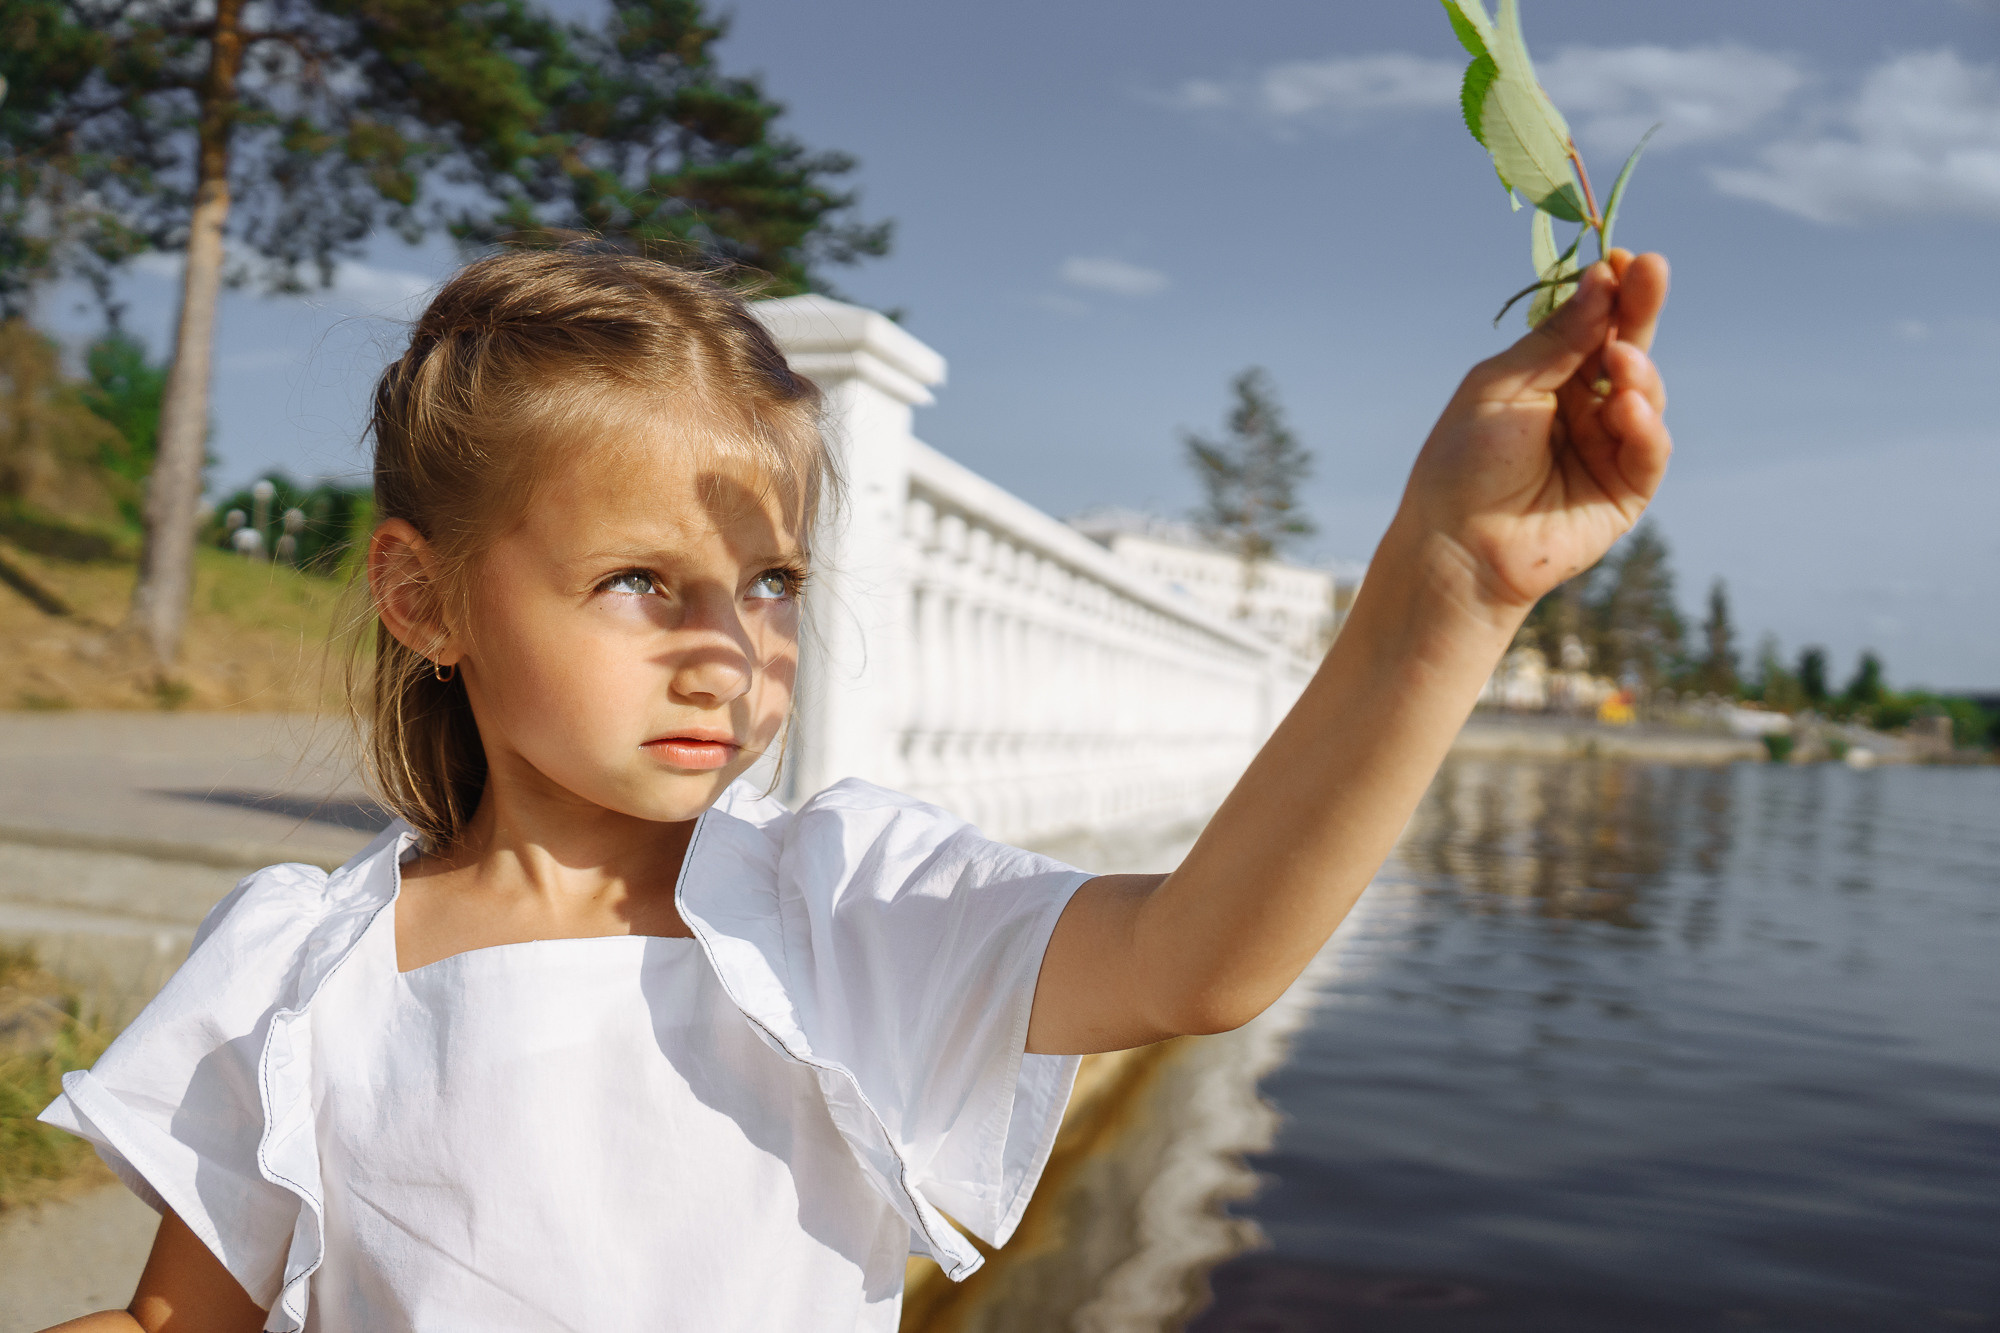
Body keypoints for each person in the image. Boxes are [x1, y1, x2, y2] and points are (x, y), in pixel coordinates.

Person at [36, 241, 1671, 1332]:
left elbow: (1204, 954)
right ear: (426, 597)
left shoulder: (846, 910)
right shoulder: (296, 973)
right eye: (637, 583)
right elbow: (184, 1320)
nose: (725, 648)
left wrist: (1448, 583)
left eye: (767, 585)